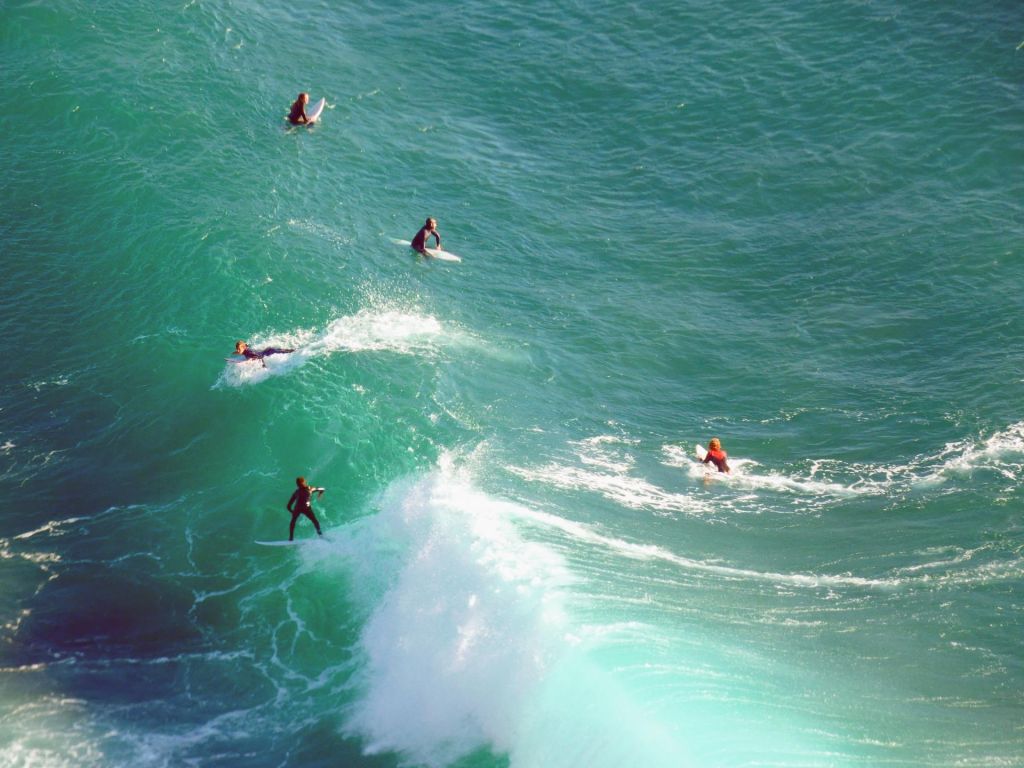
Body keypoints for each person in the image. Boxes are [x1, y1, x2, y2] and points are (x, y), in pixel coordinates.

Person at [286, 476, 324, 540]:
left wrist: (320, 494)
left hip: (302, 508)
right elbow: (288, 506)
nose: (301, 485)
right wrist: (292, 512)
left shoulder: (300, 491)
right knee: (293, 522)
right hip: (301, 508)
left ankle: (320, 534)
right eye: (300, 484)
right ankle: (291, 538)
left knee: (315, 521)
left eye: (301, 484)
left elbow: (322, 489)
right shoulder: (307, 489)